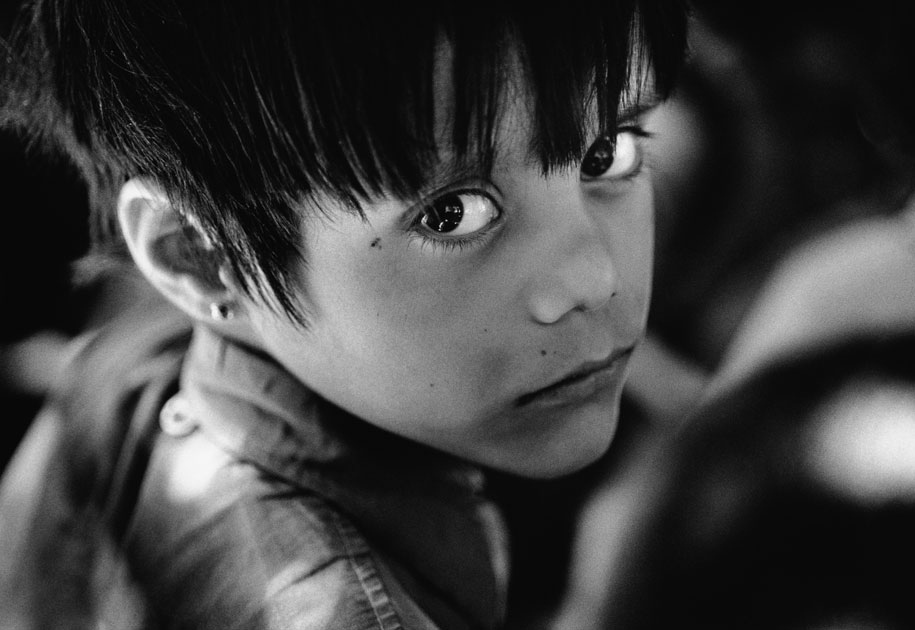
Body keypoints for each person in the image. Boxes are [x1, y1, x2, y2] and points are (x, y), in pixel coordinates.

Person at [0, 1, 689, 628]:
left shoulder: (117, 363)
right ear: (201, 258)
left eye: (608, 152)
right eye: (452, 213)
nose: (594, 280)